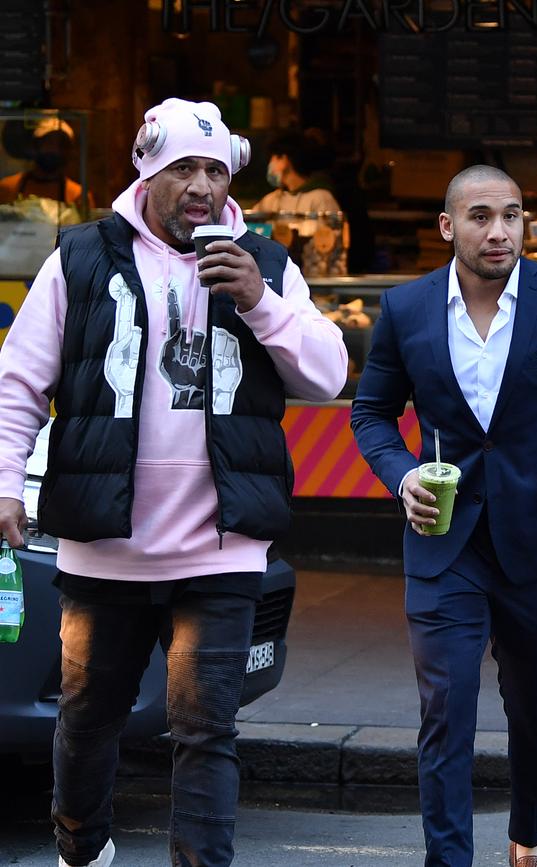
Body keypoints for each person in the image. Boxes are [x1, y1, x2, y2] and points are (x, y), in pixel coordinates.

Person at [0, 97, 347, 867]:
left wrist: (259, 301)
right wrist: (4, 485)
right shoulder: (80, 257)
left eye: (214, 170)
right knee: (89, 719)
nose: (201, 185)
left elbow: (327, 376)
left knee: (205, 729)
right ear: (146, 171)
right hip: (104, 537)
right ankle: (82, 847)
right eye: (184, 168)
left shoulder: (266, 264)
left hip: (220, 542)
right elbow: (18, 381)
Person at [351, 164, 537, 867]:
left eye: (511, 215)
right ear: (449, 227)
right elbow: (372, 414)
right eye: (481, 216)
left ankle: (528, 835)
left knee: (535, 707)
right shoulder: (407, 309)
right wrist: (401, 475)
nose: (500, 230)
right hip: (443, 538)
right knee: (446, 710)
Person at [0, 117, 95, 211]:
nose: (54, 149)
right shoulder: (7, 187)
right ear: (35, 147)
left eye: (60, 144)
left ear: (68, 151)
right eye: (49, 142)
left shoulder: (78, 195)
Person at [252, 129, 341, 215]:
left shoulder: (321, 198)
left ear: (284, 159)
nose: (270, 166)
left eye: (272, 159)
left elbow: (332, 229)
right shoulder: (272, 200)